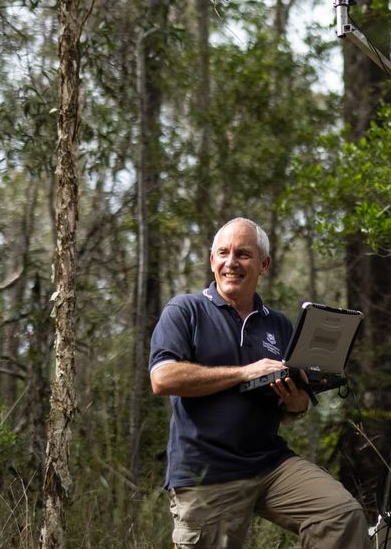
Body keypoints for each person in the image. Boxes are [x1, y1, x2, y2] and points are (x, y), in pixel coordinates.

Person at [150, 217, 368, 548]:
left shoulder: (277, 324)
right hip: (208, 471)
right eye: (223, 253)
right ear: (212, 261)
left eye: (243, 254)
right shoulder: (185, 310)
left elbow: (293, 408)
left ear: (263, 264)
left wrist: (296, 402)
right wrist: (243, 372)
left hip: (269, 463)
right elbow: (162, 378)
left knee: (339, 514)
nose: (231, 262)